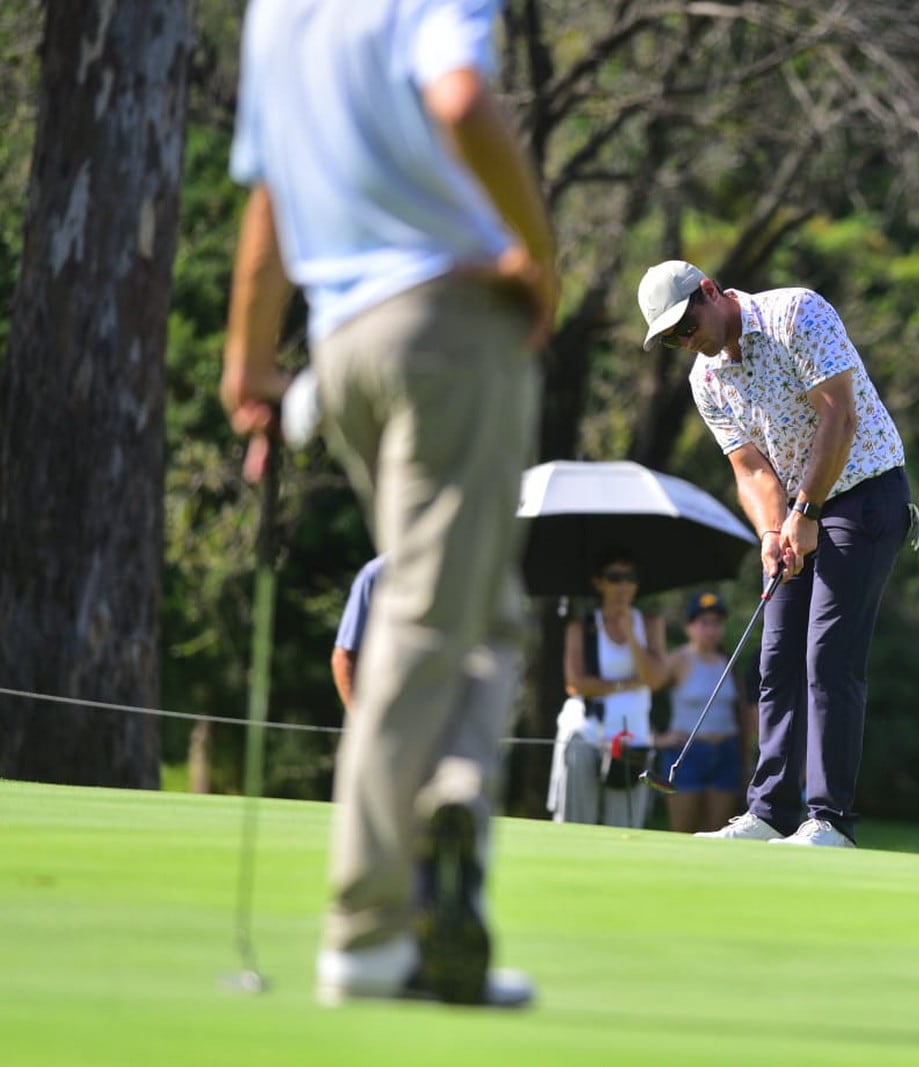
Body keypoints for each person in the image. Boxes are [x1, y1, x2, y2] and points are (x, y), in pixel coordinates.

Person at [221, 0, 559, 1008]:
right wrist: (537, 252)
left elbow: (273, 193)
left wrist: (247, 357)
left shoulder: (275, 11)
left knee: (478, 611)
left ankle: (449, 801)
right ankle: (367, 930)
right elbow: (459, 98)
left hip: (344, 341)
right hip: (447, 321)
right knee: (426, 612)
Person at [636, 260, 913, 848]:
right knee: (778, 657)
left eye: (687, 326)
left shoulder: (796, 314)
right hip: (794, 511)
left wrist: (807, 512)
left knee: (828, 655)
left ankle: (829, 818)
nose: (688, 342)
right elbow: (750, 466)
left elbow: (838, 414)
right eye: (673, 339)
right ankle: (769, 812)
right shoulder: (706, 378)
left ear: (710, 291)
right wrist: (771, 531)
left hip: (864, 491)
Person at [555, 552, 670, 829]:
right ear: (599, 583)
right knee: (576, 824)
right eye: (615, 578)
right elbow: (575, 683)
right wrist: (628, 683)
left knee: (625, 826)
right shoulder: (581, 627)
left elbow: (655, 680)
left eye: (630, 578)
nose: (623, 586)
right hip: (587, 733)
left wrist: (630, 634)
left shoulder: (650, 623)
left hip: (634, 736)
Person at [657, 591, 756, 833]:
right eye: (704, 623)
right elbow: (645, 693)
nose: (711, 630)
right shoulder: (677, 660)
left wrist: (747, 762)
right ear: (689, 627)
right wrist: (657, 738)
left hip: (725, 753)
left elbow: (741, 714)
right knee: (682, 832)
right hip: (687, 753)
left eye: (716, 623)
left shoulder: (729, 663)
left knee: (719, 832)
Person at [331, 556, 385, 714]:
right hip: (390, 719)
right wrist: (361, 720)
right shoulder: (376, 574)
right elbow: (344, 658)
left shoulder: (460, 571)